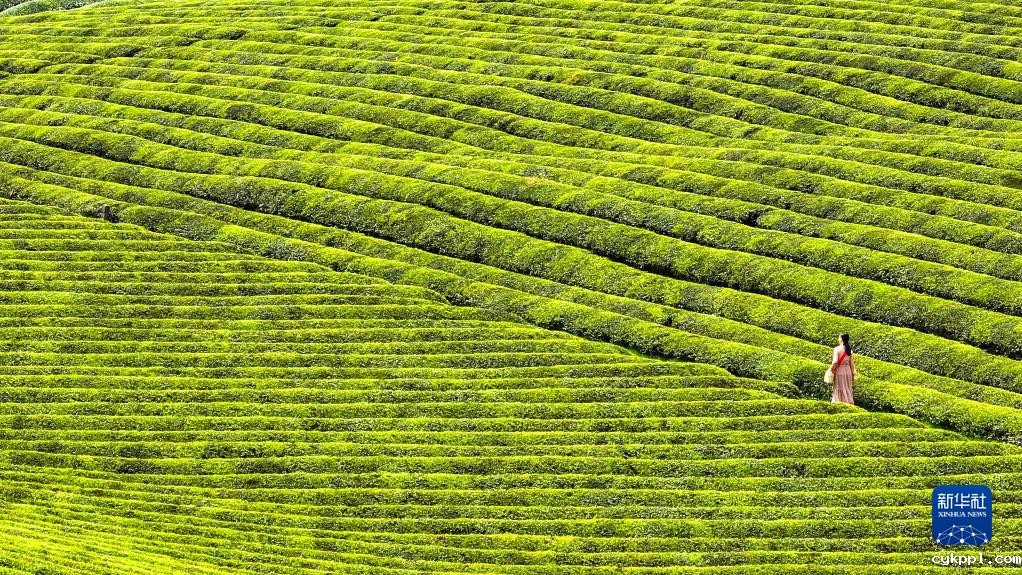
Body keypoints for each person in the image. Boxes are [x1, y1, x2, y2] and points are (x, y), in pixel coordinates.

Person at [829, 333, 856, 404]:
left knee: (839, 388)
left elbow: (835, 362)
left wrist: (831, 369)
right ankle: (848, 403)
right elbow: (852, 364)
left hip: (840, 370)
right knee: (847, 388)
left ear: (841, 339)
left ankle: (838, 403)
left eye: (839, 337)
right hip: (848, 371)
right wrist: (853, 374)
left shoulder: (837, 349)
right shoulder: (849, 350)